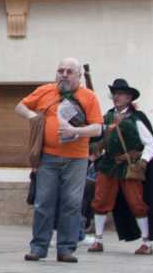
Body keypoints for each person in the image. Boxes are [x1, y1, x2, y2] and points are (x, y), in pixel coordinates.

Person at [14, 59, 102, 262]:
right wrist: (32, 116)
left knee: (71, 204)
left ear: (79, 76)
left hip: (77, 159)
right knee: (43, 202)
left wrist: (76, 131)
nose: (64, 74)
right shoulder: (45, 91)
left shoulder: (89, 97)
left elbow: (98, 128)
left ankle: (66, 249)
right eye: (60, 70)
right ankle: (38, 248)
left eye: (69, 71)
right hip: (48, 157)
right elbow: (20, 106)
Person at [91, 77, 153, 255]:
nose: (116, 97)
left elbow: (150, 144)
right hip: (108, 165)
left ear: (129, 97)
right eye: (114, 94)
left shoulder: (137, 118)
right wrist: (95, 149)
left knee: (136, 203)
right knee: (100, 201)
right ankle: (98, 240)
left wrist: (143, 161)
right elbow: (97, 141)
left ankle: (146, 242)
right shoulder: (106, 117)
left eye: (120, 94)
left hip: (129, 166)